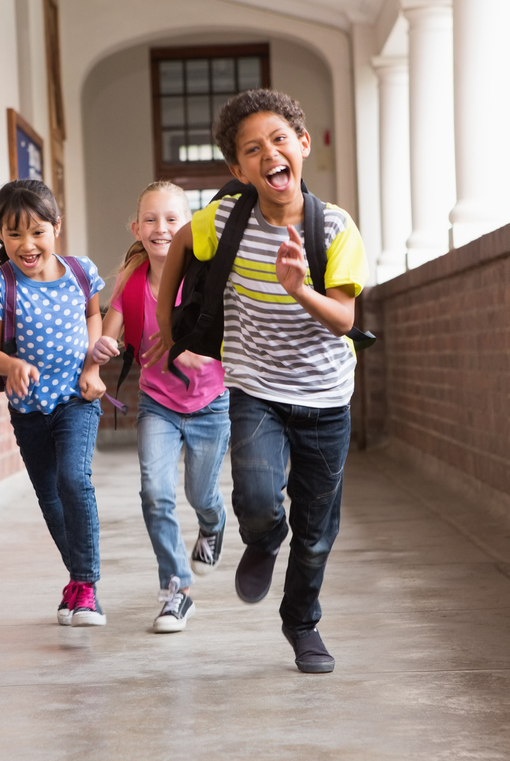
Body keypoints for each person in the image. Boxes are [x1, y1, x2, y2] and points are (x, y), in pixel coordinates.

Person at [147, 89, 367, 673]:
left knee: (317, 531)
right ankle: (265, 540)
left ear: (302, 145)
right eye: (252, 148)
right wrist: (168, 323)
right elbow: (175, 253)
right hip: (257, 389)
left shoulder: (337, 227)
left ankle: (302, 624)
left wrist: (299, 288)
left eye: (278, 140)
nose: (269, 153)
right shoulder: (224, 219)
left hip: (325, 397)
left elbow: (345, 317)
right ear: (238, 169)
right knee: (260, 500)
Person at [90, 182, 229, 633]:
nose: (160, 228)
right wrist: (103, 349)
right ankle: (176, 589)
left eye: (171, 219)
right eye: (150, 219)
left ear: (188, 226)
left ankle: (213, 523)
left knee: (199, 494)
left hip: (210, 403)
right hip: (158, 405)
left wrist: (193, 352)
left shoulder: (203, 277)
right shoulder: (131, 280)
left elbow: (232, 338)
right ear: (136, 227)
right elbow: (109, 334)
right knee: (155, 492)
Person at [0, 179, 109, 627]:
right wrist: (10, 365)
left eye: (37, 231)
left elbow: (95, 315)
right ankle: (76, 578)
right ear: (0, 234)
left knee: (74, 479)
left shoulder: (80, 270)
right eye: (14, 234)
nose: (27, 245)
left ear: (57, 226)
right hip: (28, 409)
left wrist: (92, 367)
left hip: (76, 399)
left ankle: (86, 587)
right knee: (50, 498)